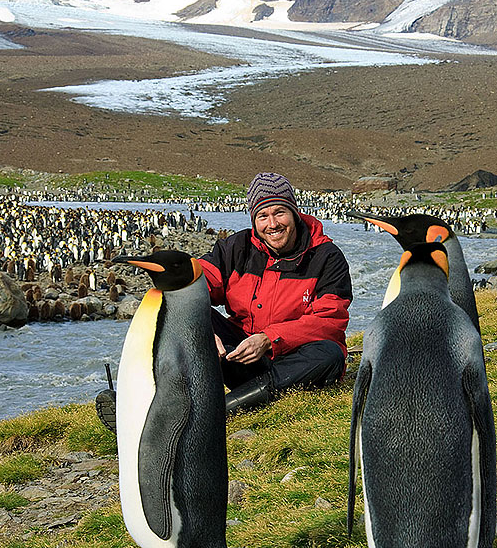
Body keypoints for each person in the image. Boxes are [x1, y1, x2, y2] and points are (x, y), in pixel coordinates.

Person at [95, 172, 351, 429]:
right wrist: (200, 327)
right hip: (243, 356)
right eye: (263, 216)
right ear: (254, 220)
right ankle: (143, 407)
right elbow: (194, 285)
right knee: (179, 310)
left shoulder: (326, 257)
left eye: (279, 212)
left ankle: (211, 415)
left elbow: (330, 320)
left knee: (329, 354)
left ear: (294, 213)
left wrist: (269, 339)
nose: (272, 224)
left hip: (296, 364)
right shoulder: (235, 248)